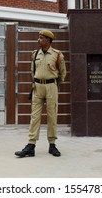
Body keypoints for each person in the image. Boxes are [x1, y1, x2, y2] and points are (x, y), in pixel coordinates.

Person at [15, 30, 66, 158]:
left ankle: (52, 145)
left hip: (51, 87)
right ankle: (31, 146)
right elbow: (32, 70)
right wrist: (37, 81)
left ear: (48, 41)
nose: (38, 40)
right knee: (35, 117)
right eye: (38, 38)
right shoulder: (35, 53)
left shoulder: (57, 55)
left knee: (52, 116)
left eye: (41, 38)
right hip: (37, 87)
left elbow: (62, 73)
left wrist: (54, 84)